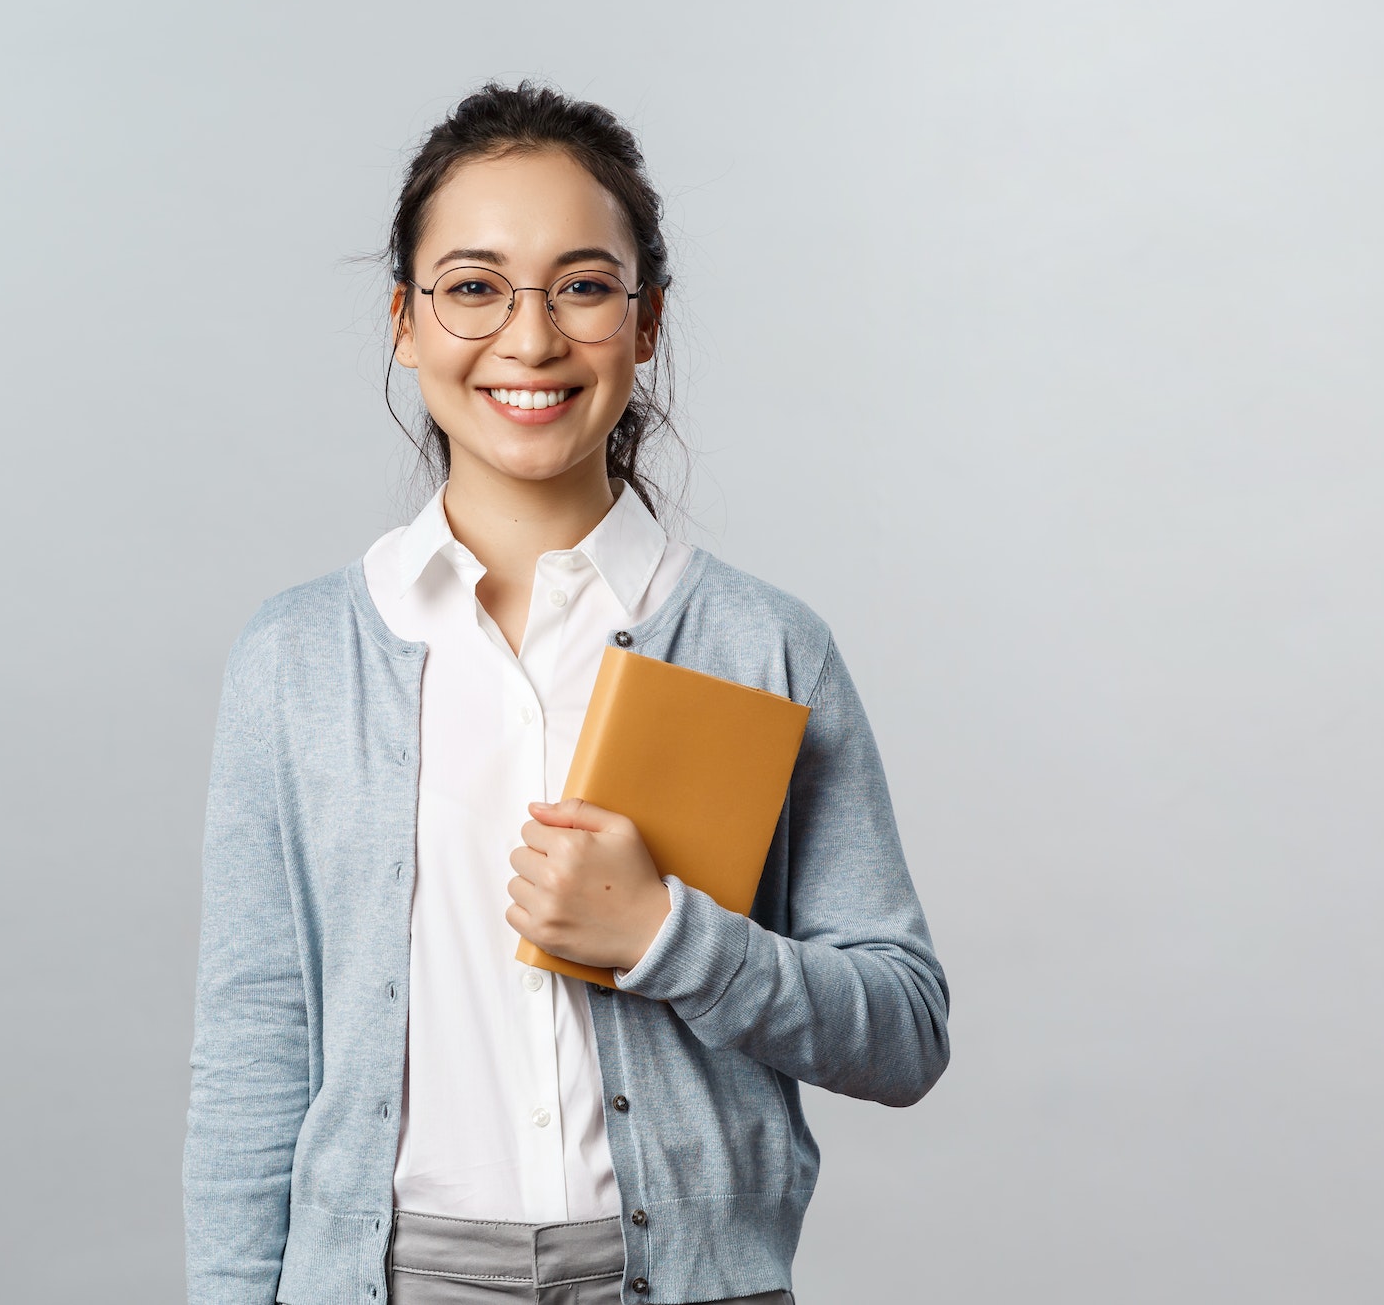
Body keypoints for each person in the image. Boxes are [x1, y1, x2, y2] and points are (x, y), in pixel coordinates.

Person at [183, 81, 950, 1305]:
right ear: (404, 319)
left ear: (643, 324)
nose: (529, 340)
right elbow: (251, 1050)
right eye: (473, 286)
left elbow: (904, 1027)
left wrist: (665, 938)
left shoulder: (760, 644)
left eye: (582, 286)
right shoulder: (298, 657)